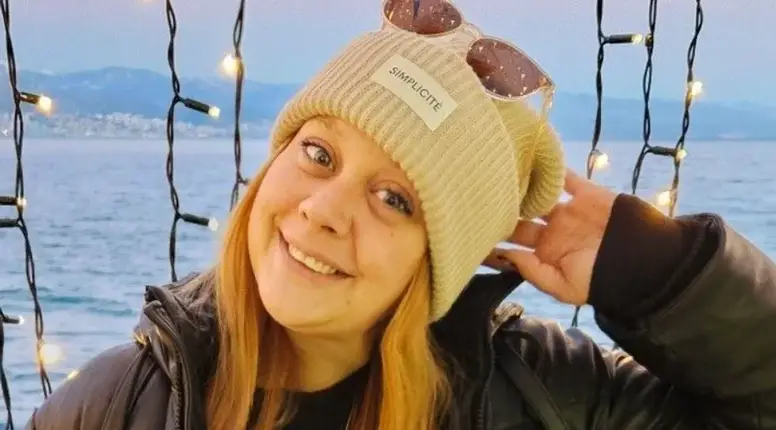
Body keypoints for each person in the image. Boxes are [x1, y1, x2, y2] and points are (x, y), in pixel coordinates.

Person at [26, 4, 776, 430]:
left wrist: (657, 274)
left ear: (440, 257)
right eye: (319, 153)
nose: (323, 210)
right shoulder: (119, 404)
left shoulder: (542, 395)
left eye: (396, 199)